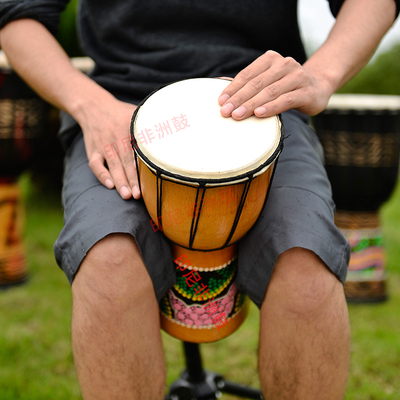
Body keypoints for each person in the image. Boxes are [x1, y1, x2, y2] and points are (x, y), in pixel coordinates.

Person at [0, 0, 398, 398]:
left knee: (305, 267)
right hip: (118, 105)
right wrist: (90, 106)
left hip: (258, 104)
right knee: (109, 262)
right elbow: (16, 11)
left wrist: (322, 75)